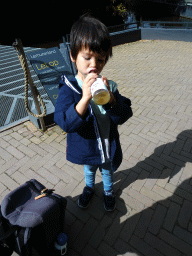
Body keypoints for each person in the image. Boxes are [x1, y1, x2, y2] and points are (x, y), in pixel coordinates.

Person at [54, 14, 133, 211]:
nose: (94, 65)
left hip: (106, 142)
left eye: (100, 59)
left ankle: (108, 192)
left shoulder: (109, 85)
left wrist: (112, 99)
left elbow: (123, 115)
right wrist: (84, 98)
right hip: (87, 145)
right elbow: (64, 122)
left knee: (107, 170)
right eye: (87, 58)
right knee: (89, 169)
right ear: (73, 55)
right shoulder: (69, 88)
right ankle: (89, 187)